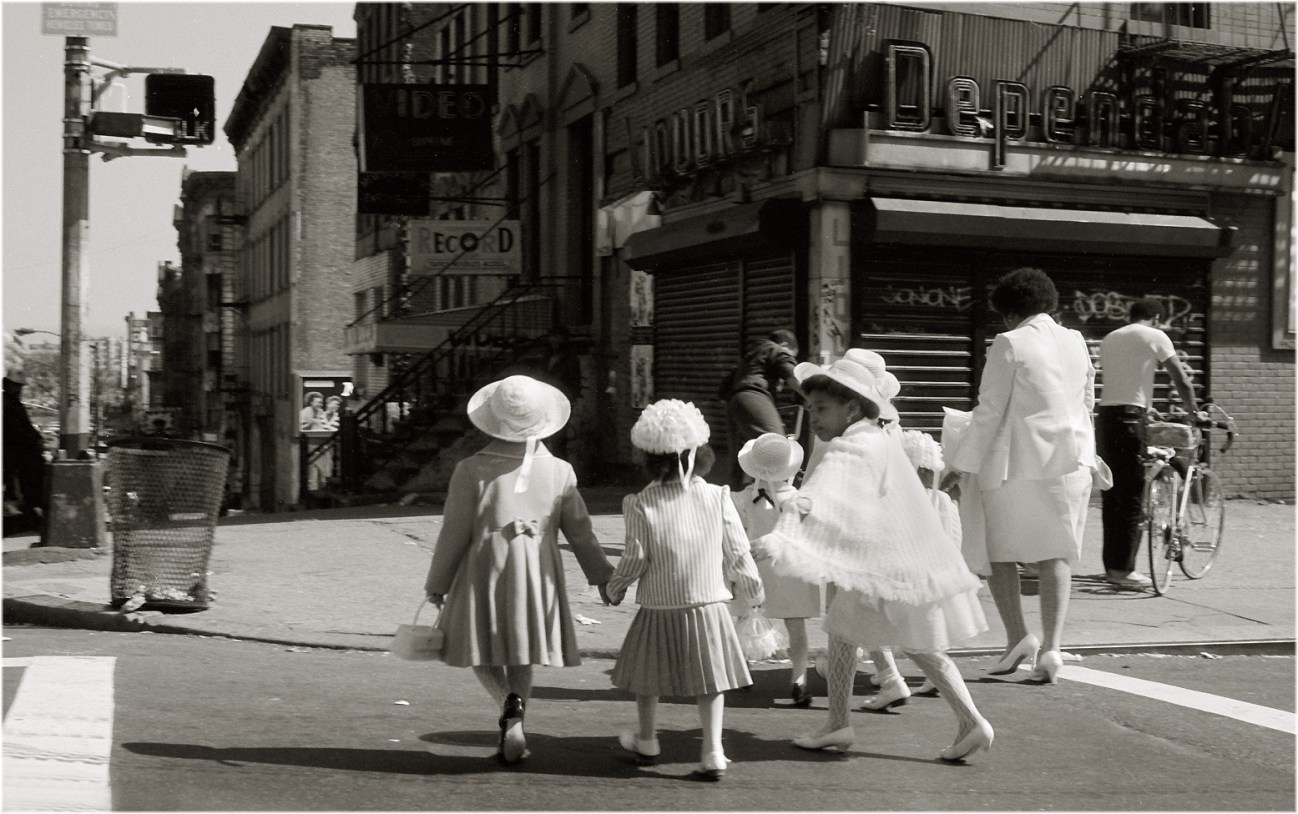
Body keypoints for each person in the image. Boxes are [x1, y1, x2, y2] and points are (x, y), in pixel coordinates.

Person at [757, 350, 992, 761]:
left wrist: (784, 535)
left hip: (885, 566)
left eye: (822, 408)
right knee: (862, 634)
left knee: (901, 642)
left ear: (851, 406)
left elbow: (822, 492)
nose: (813, 416)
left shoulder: (855, 446)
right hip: (893, 562)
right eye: (810, 407)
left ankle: (966, 721)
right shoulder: (875, 435)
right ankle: (844, 723)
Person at [424, 375, 614, 765]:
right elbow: (581, 533)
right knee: (522, 652)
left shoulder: (470, 469)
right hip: (538, 570)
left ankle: (508, 706)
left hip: (485, 567)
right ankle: (518, 709)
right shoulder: (560, 470)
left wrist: (437, 582)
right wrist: (604, 577)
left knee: (478, 648)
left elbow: (454, 532)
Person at [944, 268, 1097, 686]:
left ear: (1009, 314)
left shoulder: (1010, 343)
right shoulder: (1076, 340)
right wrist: (1092, 455)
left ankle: (1016, 635)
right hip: (1071, 461)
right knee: (1055, 554)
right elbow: (1087, 402)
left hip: (1019, 463)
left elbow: (990, 410)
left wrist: (960, 465)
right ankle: (1051, 647)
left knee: (997, 550)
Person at [605, 399, 764, 781]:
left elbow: (635, 558)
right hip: (708, 602)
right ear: (700, 454)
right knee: (710, 681)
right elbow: (737, 548)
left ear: (650, 459)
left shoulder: (640, 502)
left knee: (647, 677)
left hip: (659, 605)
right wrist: (754, 589)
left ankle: (647, 739)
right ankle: (712, 750)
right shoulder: (717, 496)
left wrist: (615, 588)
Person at [1097, 297, 1200, 588]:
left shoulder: (1110, 338)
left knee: (1113, 494)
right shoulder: (1155, 335)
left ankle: (1112, 565)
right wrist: (1193, 412)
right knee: (1132, 494)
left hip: (1106, 417)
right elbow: (1180, 377)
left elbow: (1124, 381)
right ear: (1155, 317)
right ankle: (1122, 571)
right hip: (1131, 417)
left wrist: (1145, 406)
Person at [730, 432, 821, 707]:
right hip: (791, 569)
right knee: (796, 626)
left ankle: (742, 671)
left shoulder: (742, 498)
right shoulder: (801, 499)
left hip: (754, 566)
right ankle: (799, 678)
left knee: (746, 619)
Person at [720, 329, 802, 489]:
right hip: (754, 396)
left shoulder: (751, 357)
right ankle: (776, 500)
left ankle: (737, 504)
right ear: (785, 345)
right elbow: (793, 376)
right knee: (777, 449)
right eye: (792, 355)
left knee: (741, 461)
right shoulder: (775, 349)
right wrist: (812, 397)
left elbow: (723, 389)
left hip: (734, 403)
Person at [3, 364, 46, 536]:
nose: (18, 389)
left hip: (21, 453)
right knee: (24, 481)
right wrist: (34, 439)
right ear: (8, 385)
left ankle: (28, 514)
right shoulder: (6, 404)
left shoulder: (14, 404)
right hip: (13, 453)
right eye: (16, 386)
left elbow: (26, 427)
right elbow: (15, 430)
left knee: (32, 480)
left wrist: (36, 438)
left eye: (19, 387)